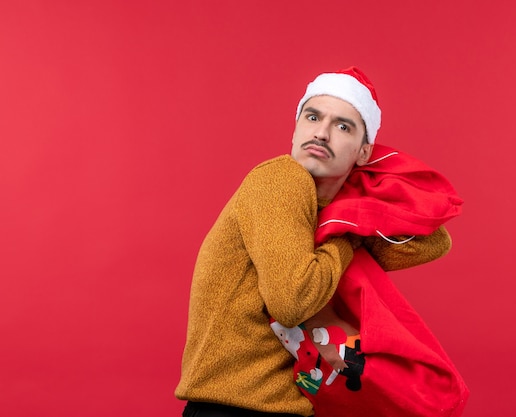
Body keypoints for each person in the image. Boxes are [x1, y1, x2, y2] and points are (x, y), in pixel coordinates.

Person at [174, 67, 454, 417]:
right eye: (312, 117)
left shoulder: (330, 214)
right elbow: (293, 300)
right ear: (296, 129)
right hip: (237, 408)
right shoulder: (280, 179)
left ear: (363, 152)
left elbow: (433, 242)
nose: (321, 133)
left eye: (342, 126)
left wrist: (363, 192)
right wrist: (346, 235)